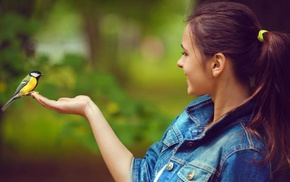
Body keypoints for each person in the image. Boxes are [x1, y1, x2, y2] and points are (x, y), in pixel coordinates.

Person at [32, 1, 290, 181]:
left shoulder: (244, 152)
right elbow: (141, 176)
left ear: (217, 64)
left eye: (186, 53)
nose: (180, 62)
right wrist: (89, 109)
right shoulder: (192, 120)